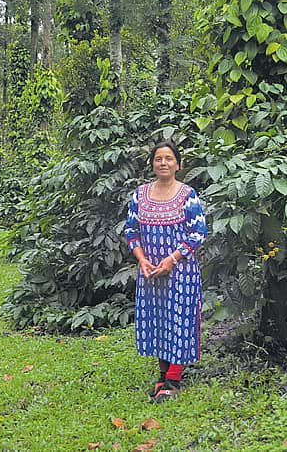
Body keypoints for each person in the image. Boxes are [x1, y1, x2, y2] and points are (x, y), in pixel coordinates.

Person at [124, 141, 208, 403]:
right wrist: (142, 260)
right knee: (158, 321)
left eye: (169, 159)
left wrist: (172, 259)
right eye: (158, 159)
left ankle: (173, 378)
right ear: (152, 164)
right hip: (150, 273)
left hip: (180, 273)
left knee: (179, 320)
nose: (163, 163)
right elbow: (131, 231)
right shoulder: (140, 194)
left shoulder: (187, 195)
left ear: (178, 164)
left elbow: (198, 233)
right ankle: (162, 375)